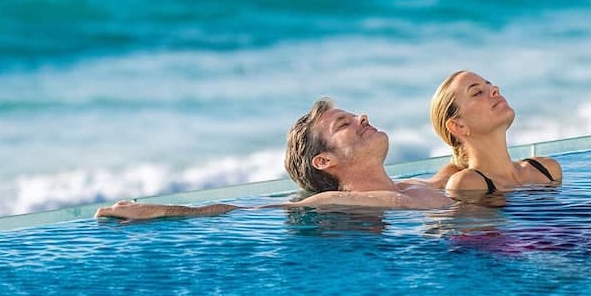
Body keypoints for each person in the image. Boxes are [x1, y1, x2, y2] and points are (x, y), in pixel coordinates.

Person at [95, 99, 453, 221]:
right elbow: (243, 209)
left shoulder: (419, 185)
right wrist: (158, 211)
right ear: (324, 161)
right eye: (344, 124)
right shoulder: (336, 200)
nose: (362, 117)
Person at [428, 70, 562, 194]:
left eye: (490, 86)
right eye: (477, 93)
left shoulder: (547, 169)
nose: (495, 90)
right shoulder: (468, 184)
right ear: (458, 126)